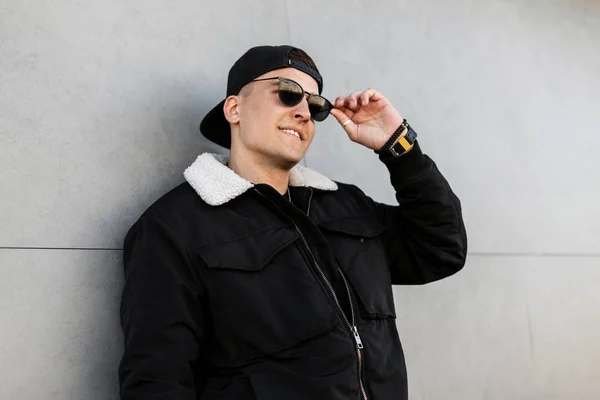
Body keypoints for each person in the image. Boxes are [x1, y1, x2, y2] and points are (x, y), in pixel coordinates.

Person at [118, 45, 467, 400]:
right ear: (234, 108)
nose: (303, 112)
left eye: (315, 106)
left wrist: (400, 147)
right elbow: (157, 380)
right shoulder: (174, 227)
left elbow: (440, 250)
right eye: (287, 93)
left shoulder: (346, 206)